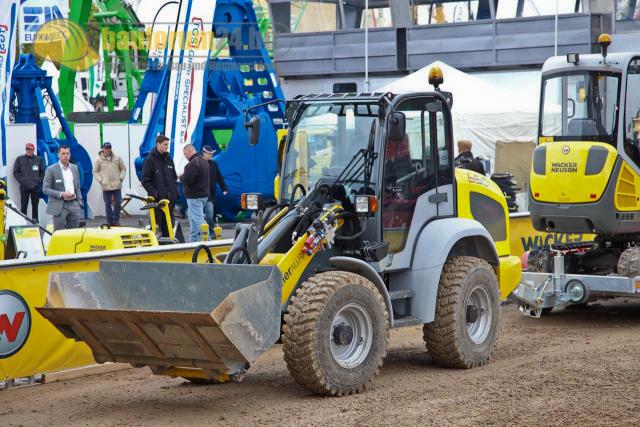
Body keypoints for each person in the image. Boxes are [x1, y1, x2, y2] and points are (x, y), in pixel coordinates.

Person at [141, 135, 178, 238]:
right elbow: (145, 180)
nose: (167, 147)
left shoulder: (169, 159)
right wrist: (156, 193)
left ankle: (168, 252)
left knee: (170, 229)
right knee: (156, 231)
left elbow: (174, 178)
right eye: (165, 144)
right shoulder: (149, 160)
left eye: (168, 144)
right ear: (158, 145)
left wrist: (174, 194)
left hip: (169, 203)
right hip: (156, 203)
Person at [43, 144, 83, 230]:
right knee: (59, 233)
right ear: (58, 155)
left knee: (74, 233)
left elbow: (77, 187)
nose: (65, 156)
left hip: (74, 205)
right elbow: (45, 189)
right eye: (63, 153)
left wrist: (79, 202)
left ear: (70, 155)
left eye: (67, 153)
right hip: (59, 205)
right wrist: (61, 194)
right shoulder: (51, 169)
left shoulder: (75, 168)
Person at [180, 144, 210, 242]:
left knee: (198, 219)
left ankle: (207, 239)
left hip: (194, 196)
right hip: (203, 194)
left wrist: (181, 177)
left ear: (189, 151)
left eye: (185, 154)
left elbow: (189, 180)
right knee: (193, 219)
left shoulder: (193, 163)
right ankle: (192, 240)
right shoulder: (204, 161)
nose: (185, 156)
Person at [93, 142, 126, 226]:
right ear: (103, 149)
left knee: (118, 202)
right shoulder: (98, 159)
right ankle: (110, 221)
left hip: (117, 185)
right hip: (106, 185)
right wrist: (101, 180)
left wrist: (121, 178)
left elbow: (123, 169)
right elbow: (95, 171)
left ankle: (116, 219)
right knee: (107, 204)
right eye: (106, 148)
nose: (108, 149)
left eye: (109, 147)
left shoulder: (117, 158)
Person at [13, 142, 45, 221]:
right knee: (23, 206)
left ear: (33, 150)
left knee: (35, 206)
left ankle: (36, 222)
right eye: (27, 149)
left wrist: (38, 181)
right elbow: (15, 172)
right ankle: (23, 222)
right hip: (24, 187)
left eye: (30, 149)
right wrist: (22, 181)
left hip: (36, 187)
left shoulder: (39, 159)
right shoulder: (20, 159)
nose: (28, 151)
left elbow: (43, 172)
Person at [201, 145, 228, 236]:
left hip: (210, 194)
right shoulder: (198, 163)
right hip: (199, 194)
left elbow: (219, 177)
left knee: (209, 214)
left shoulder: (213, 164)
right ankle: (203, 232)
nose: (211, 155)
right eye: (209, 153)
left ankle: (211, 231)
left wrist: (224, 188)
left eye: (212, 153)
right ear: (204, 153)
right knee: (200, 215)